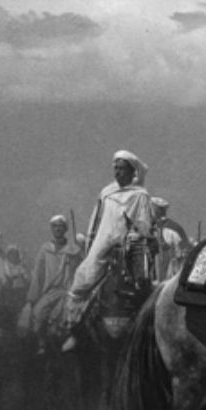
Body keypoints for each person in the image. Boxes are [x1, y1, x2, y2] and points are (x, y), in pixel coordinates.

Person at [62, 149, 154, 351]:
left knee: (144, 285)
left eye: (122, 169)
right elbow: (96, 222)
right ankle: (74, 329)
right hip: (103, 244)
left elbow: (144, 224)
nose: (118, 173)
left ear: (133, 172)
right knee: (82, 280)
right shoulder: (107, 193)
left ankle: (153, 333)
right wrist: (91, 243)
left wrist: (135, 236)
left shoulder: (140, 196)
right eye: (116, 168)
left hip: (131, 247)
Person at [19, 216, 83, 353]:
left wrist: (75, 261)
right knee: (38, 314)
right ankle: (42, 345)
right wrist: (31, 299)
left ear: (65, 229)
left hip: (68, 292)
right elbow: (38, 275)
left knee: (71, 319)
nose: (57, 229)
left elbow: (81, 272)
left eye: (60, 226)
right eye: (54, 226)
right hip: (50, 292)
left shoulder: (74, 250)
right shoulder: (45, 250)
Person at [151, 197, 192, 279]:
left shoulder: (174, 229)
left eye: (151, 209)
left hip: (169, 278)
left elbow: (184, 253)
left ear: (157, 211)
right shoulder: (148, 228)